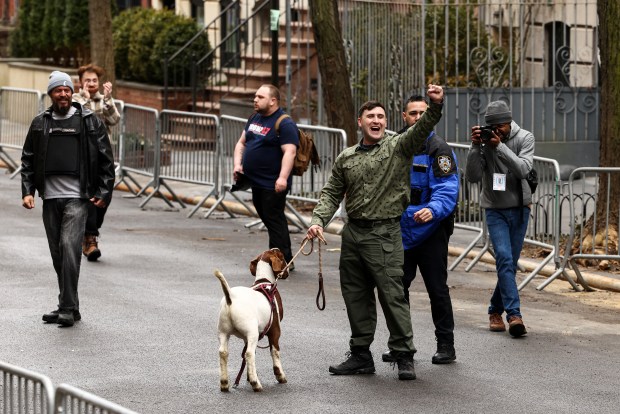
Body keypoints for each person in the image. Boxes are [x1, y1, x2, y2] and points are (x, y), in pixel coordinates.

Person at [306, 84, 445, 381]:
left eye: (381, 116)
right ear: (360, 121)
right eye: (371, 116)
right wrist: (318, 220)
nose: (377, 120)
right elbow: (331, 192)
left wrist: (435, 106)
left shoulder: (399, 145)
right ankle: (360, 355)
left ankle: (404, 354)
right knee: (355, 295)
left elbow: (421, 130)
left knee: (392, 295)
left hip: (384, 234)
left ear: (386, 121)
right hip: (353, 233)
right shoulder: (347, 157)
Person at [21, 71, 115, 327]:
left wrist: (104, 192)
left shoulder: (89, 121)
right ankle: (70, 305)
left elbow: (106, 159)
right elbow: (28, 158)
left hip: (77, 197)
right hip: (50, 198)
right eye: (57, 90)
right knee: (57, 254)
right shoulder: (40, 122)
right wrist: (27, 190)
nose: (62, 94)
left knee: (70, 249)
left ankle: (66, 307)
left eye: (66, 90)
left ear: (72, 92)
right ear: (50, 93)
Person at [381, 95, 459, 365]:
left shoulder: (439, 149)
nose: (417, 117)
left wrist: (433, 210)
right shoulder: (393, 145)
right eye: (412, 113)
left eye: (422, 113)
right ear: (404, 117)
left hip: (430, 231)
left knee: (437, 289)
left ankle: (446, 345)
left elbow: (447, 189)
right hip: (400, 230)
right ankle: (401, 344)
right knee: (396, 290)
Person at [465, 100, 534, 338]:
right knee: (504, 258)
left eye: (500, 127)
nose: (496, 132)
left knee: (509, 264)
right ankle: (514, 315)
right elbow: (472, 176)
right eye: (491, 128)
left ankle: (495, 309)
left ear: (508, 122)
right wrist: (476, 147)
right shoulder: (483, 143)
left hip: (519, 208)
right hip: (495, 209)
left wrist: (500, 148)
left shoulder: (525, 138)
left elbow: (523, 170)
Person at [233, 84, 298, 266]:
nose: (255, 100)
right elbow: (241, 143)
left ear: (273, 101)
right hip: (256, 181)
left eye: (260, 97)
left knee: (274, 219)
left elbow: (290, 152)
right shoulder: (255, 118)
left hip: (272, 183)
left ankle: (280, 260)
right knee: (269, 218)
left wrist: (283, 178)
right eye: (255, 96)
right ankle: (282, 256)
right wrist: (238, 165)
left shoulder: (284, 123)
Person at [72, 64, 121, 261]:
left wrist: (108, 99)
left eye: (94, 80)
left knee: (104, 195)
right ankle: (90, 239)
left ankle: (90, 233)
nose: (91, 84)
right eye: (88, 80)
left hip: (104, 154)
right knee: (91, 196)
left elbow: (115, 120)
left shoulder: (105, 100)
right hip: (83, 155)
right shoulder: (75, 100)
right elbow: (78, 117)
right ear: (80, 82)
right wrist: (85, 98)